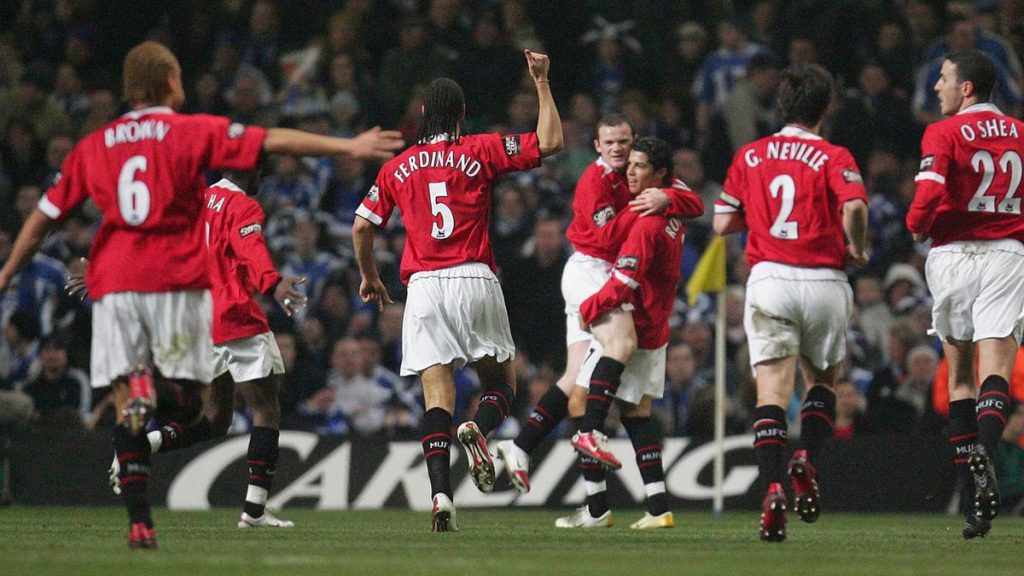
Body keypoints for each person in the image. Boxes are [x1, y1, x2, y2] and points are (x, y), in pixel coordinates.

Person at [0, 40, 403, 549]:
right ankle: (251, 507)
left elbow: (62, 218)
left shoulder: (110, 151)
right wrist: (345, 149)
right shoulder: (210, 159)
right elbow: (262, 180)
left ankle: (142, 475)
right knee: (256, 407)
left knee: (198, 416)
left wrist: (19, 272)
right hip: (216, 307)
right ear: (171, 82)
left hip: (155, 299)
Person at [352, 49, 562, 532]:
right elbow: (550, 141)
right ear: (463, 114)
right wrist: (541, 82)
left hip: (424, 286)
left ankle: (441, 496)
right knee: (502, 385)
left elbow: (361, 227)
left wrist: (370, 276)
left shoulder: (397, 167)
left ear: (424, 113)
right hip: (474, 277)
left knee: (436, 395)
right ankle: (479, 428)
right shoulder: (480, 150)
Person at [495, 113, 702, 500]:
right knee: (622, 343)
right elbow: (607, 240)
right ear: (597, 146)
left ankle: (521, 445)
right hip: (591, 270)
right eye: (610, 143)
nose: (618, 149)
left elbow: (694, 202)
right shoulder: (595, 181)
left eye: (624, 141)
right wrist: (642, 206)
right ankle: (591, 431)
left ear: (633, 140)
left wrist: (667, 197)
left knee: (575, 379)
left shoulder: (644, 169)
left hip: (609, 273)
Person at [714, 63, 869, 542]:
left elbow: (721, 223)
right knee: (821, 381)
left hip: (770, 279)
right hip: (823, 279)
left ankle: (772, 488)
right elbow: (855, 205)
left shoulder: (751, 155)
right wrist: (858, 246)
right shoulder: (834, 155)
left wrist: (759, 220)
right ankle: (806, 457)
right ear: (826, 107)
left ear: (780, 104)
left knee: (772, 393)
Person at [907, 49, 1024, 539]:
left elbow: (930, 192)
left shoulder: (943, 132)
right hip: (1007, 254)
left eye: (944, 78)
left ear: (967, 87)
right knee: (996, 369)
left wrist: (915, 225)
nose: (937, 86)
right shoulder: (1020, 133)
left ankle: (973, 497)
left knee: (958, 376)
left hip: (953, 255)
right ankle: (987, 453)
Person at [568, 136, 699, 530]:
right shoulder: (672, 209)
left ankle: (596, 506)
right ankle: (659, 508)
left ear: (660, 175)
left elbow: (623, 282)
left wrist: (589, 308)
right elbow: (693, 201)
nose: (630, 171)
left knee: (579, 402)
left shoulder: (647, 223)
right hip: (657, 326)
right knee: (637, 415)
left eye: (640, 166)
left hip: (634, 325)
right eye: (631, 164)